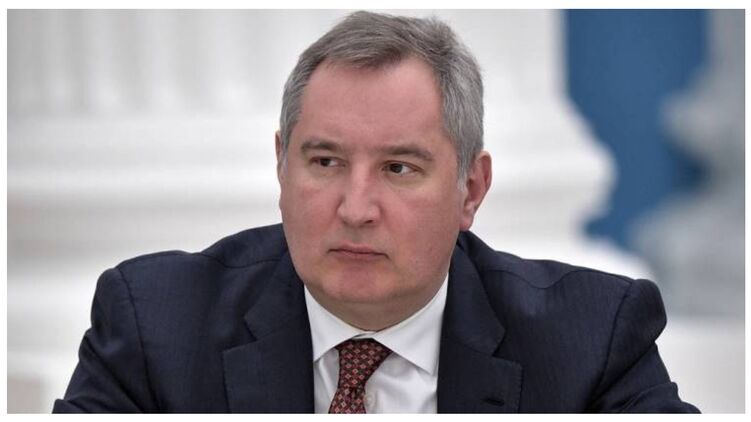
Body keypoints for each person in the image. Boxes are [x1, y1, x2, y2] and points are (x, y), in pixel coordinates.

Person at [53, 11, 699, 413]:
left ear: (471, 190)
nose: (355, 209)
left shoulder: (589, 340)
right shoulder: (157, 325)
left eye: (398, 169)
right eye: (325, 161)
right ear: (281, 166)